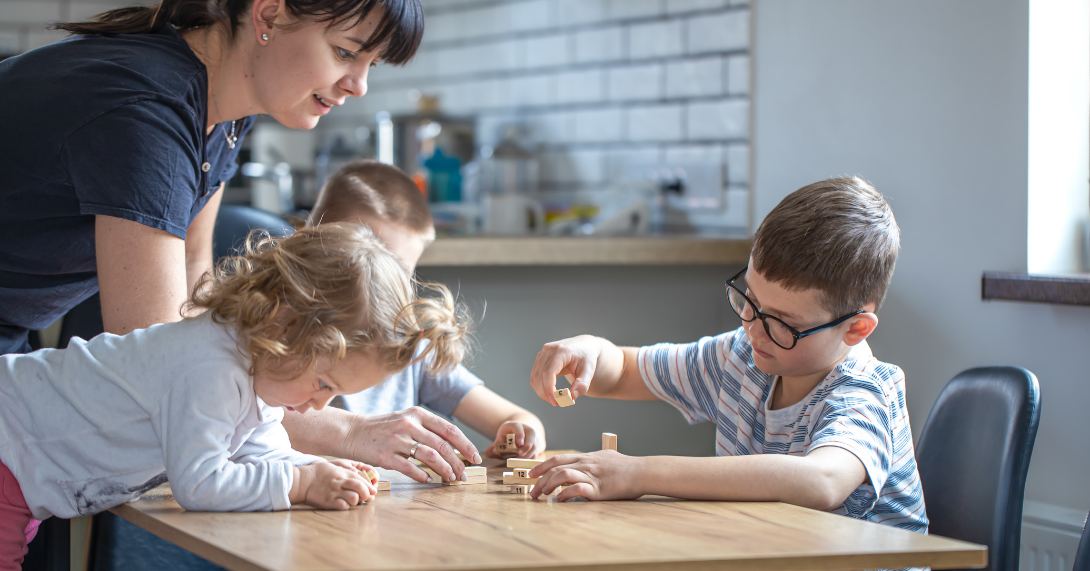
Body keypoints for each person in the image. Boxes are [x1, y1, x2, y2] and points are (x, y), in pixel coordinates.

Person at [0, 223, 470, 569]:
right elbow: (199, 484)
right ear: (282, 325)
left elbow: (261, 450)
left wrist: (309, 469)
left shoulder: (258, 370)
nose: (319, 404)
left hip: (25, 475)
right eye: (324, 384)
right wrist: (301, 484)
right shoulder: (209, 367)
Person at [525, 178, 928, 535]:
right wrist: (591, 352)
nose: (752, 327)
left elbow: (821, 481)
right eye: (749, 299)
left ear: (855, 329)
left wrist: (636, 472)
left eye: (782, 322)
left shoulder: (864, 392)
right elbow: (627, 371)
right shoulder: (743, 356)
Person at [303, 159, 547, 460]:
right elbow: (255, 423)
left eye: (399, 274)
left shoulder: (411, 346)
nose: (380, 286)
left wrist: (521, 432)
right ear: (308, 246)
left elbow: (514, 417)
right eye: (363, 264)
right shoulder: (279, 335)